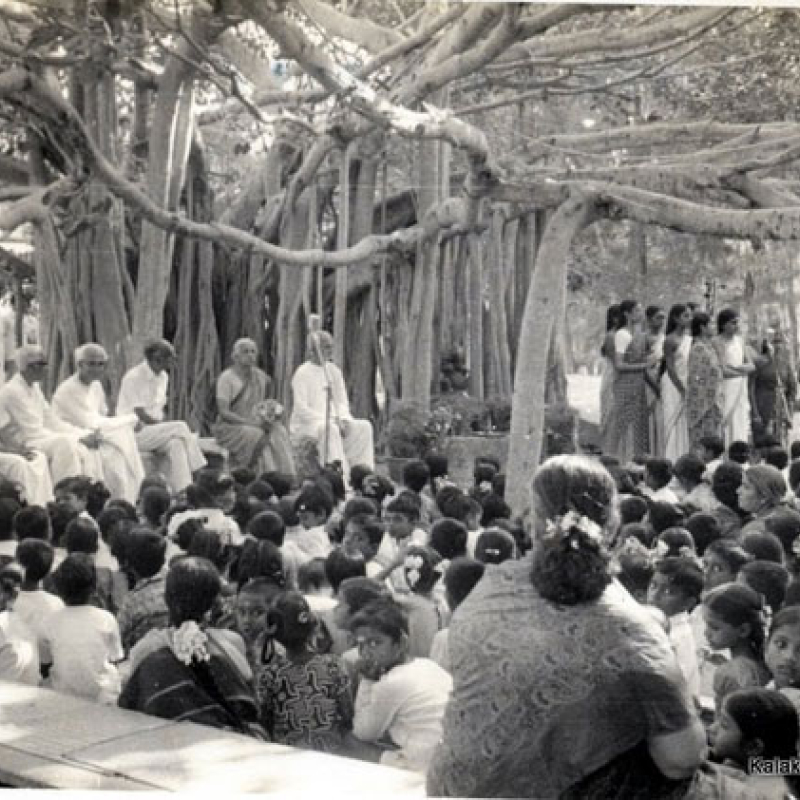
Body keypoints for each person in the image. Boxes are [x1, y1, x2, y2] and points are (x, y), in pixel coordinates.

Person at [427, 455, 706, 798]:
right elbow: (682, 759)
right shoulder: (633, 632)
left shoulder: (488, 591)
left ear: (533, 522)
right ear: (613, 525)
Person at [119, 556, 264, 737]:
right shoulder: (232, 642)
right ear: (213, 602)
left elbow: (133, 708)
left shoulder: (146, 648)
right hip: (229, 742)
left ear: (167, 599)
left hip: (170, 745)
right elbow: (250, 703)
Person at [347, 597, 453, 773]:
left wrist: (367, 679)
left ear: (401, 643)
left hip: (421, 767)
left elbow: (362, 733)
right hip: (445, 758)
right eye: (360, 644)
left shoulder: (392, 683)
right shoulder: (428, 665)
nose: (365, 653)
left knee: (349, 741)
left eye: (375, 643)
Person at [256, 591, 353, 753]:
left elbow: (265, 721)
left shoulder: (270, 674)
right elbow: (348, 715)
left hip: (288, 755)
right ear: (312, 627)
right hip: (331, 755)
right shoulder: (333, 665)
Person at [52, 343, 144, 503]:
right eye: (91, 364)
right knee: (119, 439)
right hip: (73, 435)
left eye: (101, 364)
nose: (96, 369)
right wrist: (132, 419)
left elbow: (102, 416)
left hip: (95, 433)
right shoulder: (68, 389)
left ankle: (130, 496)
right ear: (80, 364)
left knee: (122, 437)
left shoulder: (96, 385)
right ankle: (119, 498)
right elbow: (92, 422)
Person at [0, 346, 101, 483]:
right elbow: (32, 431)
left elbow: (52, 421)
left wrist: (82, 434)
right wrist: (77, 438)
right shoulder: (12, 391)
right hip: (26, 442)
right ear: (26, 367)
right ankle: (64, 492)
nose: (45, 368)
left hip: (39, 438)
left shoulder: (34, 388)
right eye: (41, 364)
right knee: (65, 443)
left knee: (84, 447)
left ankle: (87, 493)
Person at [117, 339, 206, 493]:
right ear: (157, 359)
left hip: (152, 432)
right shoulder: (134, 377)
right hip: (133, 432)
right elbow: (140, 414)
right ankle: (199, 470)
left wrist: (163, 428)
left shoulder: (163, 377)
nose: (172, 362)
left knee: (177, 442)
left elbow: (158, 409)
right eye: (169, 358)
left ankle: (184, 490)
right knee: (180, 426)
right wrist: (163, 427)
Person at [289, 329, 374, 474]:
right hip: (309, 424)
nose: (330, 350)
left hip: (335, 420)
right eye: (326, 347)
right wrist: (330, 420)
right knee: (330, 429)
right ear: (313, 350)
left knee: (364, 426)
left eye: (331, 346)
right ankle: (340, 479)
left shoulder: (334, 371)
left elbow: (342, 402)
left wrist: (344, 419)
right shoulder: (302, 373)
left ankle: (362, 474)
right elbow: (301, 409)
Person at [43, 554, 124, 703]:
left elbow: (46, 660)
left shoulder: (51, 621)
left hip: (63, 694)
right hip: (102, 696)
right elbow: (116, 658)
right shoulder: (106, 618)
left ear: (58, 589)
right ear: (93, 588)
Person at [213, 338, 295, 479]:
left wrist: (272, 413)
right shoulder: (226, 379)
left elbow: (265, 403)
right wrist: (251, 422)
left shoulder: (261, 377)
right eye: (246, 352)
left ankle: (285, 476)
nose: (250, 355)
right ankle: (262, 475)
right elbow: (224, 412)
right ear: (235, 356)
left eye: (253, 352)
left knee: (278, 431)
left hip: (257, 422)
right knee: (256, 434)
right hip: (231, 426)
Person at [710, 688, 799, 798]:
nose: (712, 728)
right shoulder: (765, 765)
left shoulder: (758, 792)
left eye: (724, 725)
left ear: (753, 747)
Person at [703, 582, 770, 713]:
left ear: (743, 630)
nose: (706, 633)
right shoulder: (763, 661)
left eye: (714, 627)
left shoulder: (728, 673)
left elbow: (726, 722)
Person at [610, 300, 658, 462]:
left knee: (638, 423)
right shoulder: (622, 335)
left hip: (638, 384)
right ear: (627, 314)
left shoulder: (640, 335)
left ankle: (635, 461)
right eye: (637, 310)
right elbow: (619, 364)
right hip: (625, 384)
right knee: (625, 422)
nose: (641, 313)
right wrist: (645, 365)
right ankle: (622, 460)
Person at [714, 309, 754, 447]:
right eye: (733, 323)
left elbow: (751, 365)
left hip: (740, 387)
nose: (737, 326)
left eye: (738, 323)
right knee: (726, 421)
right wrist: (742, 371)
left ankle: (740, 453)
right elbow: (722, 370)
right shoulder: (717, 342)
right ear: (723, 324)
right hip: (726, 387)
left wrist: (738, 370)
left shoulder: (740, 341)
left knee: (740, 420)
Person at [685, 312, 724, 452]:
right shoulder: (698, 348)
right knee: (702, 443)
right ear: (702, 327)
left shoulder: (709, 346)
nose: (714, 327)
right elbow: (697, 378)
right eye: (711, 324)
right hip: (704, 404)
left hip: (714, 401)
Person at [661, 304, 693, 461]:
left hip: (687, 382)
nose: (689, 319)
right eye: (685, 316)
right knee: (672, 422)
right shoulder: (670, 340)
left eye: (690, 315)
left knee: (685, 423)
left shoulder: (690, 340)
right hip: (673, 385)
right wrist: (682, 388)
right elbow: (670, 368)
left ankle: (683, 458)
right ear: (675, 318)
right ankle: (671, 459)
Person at [599, 304, 623, 455]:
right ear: (615, 319)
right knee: (611, 413)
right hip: (613, 377)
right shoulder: (611, 336)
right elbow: (617, 363)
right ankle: (609, 451)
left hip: (617, 377)